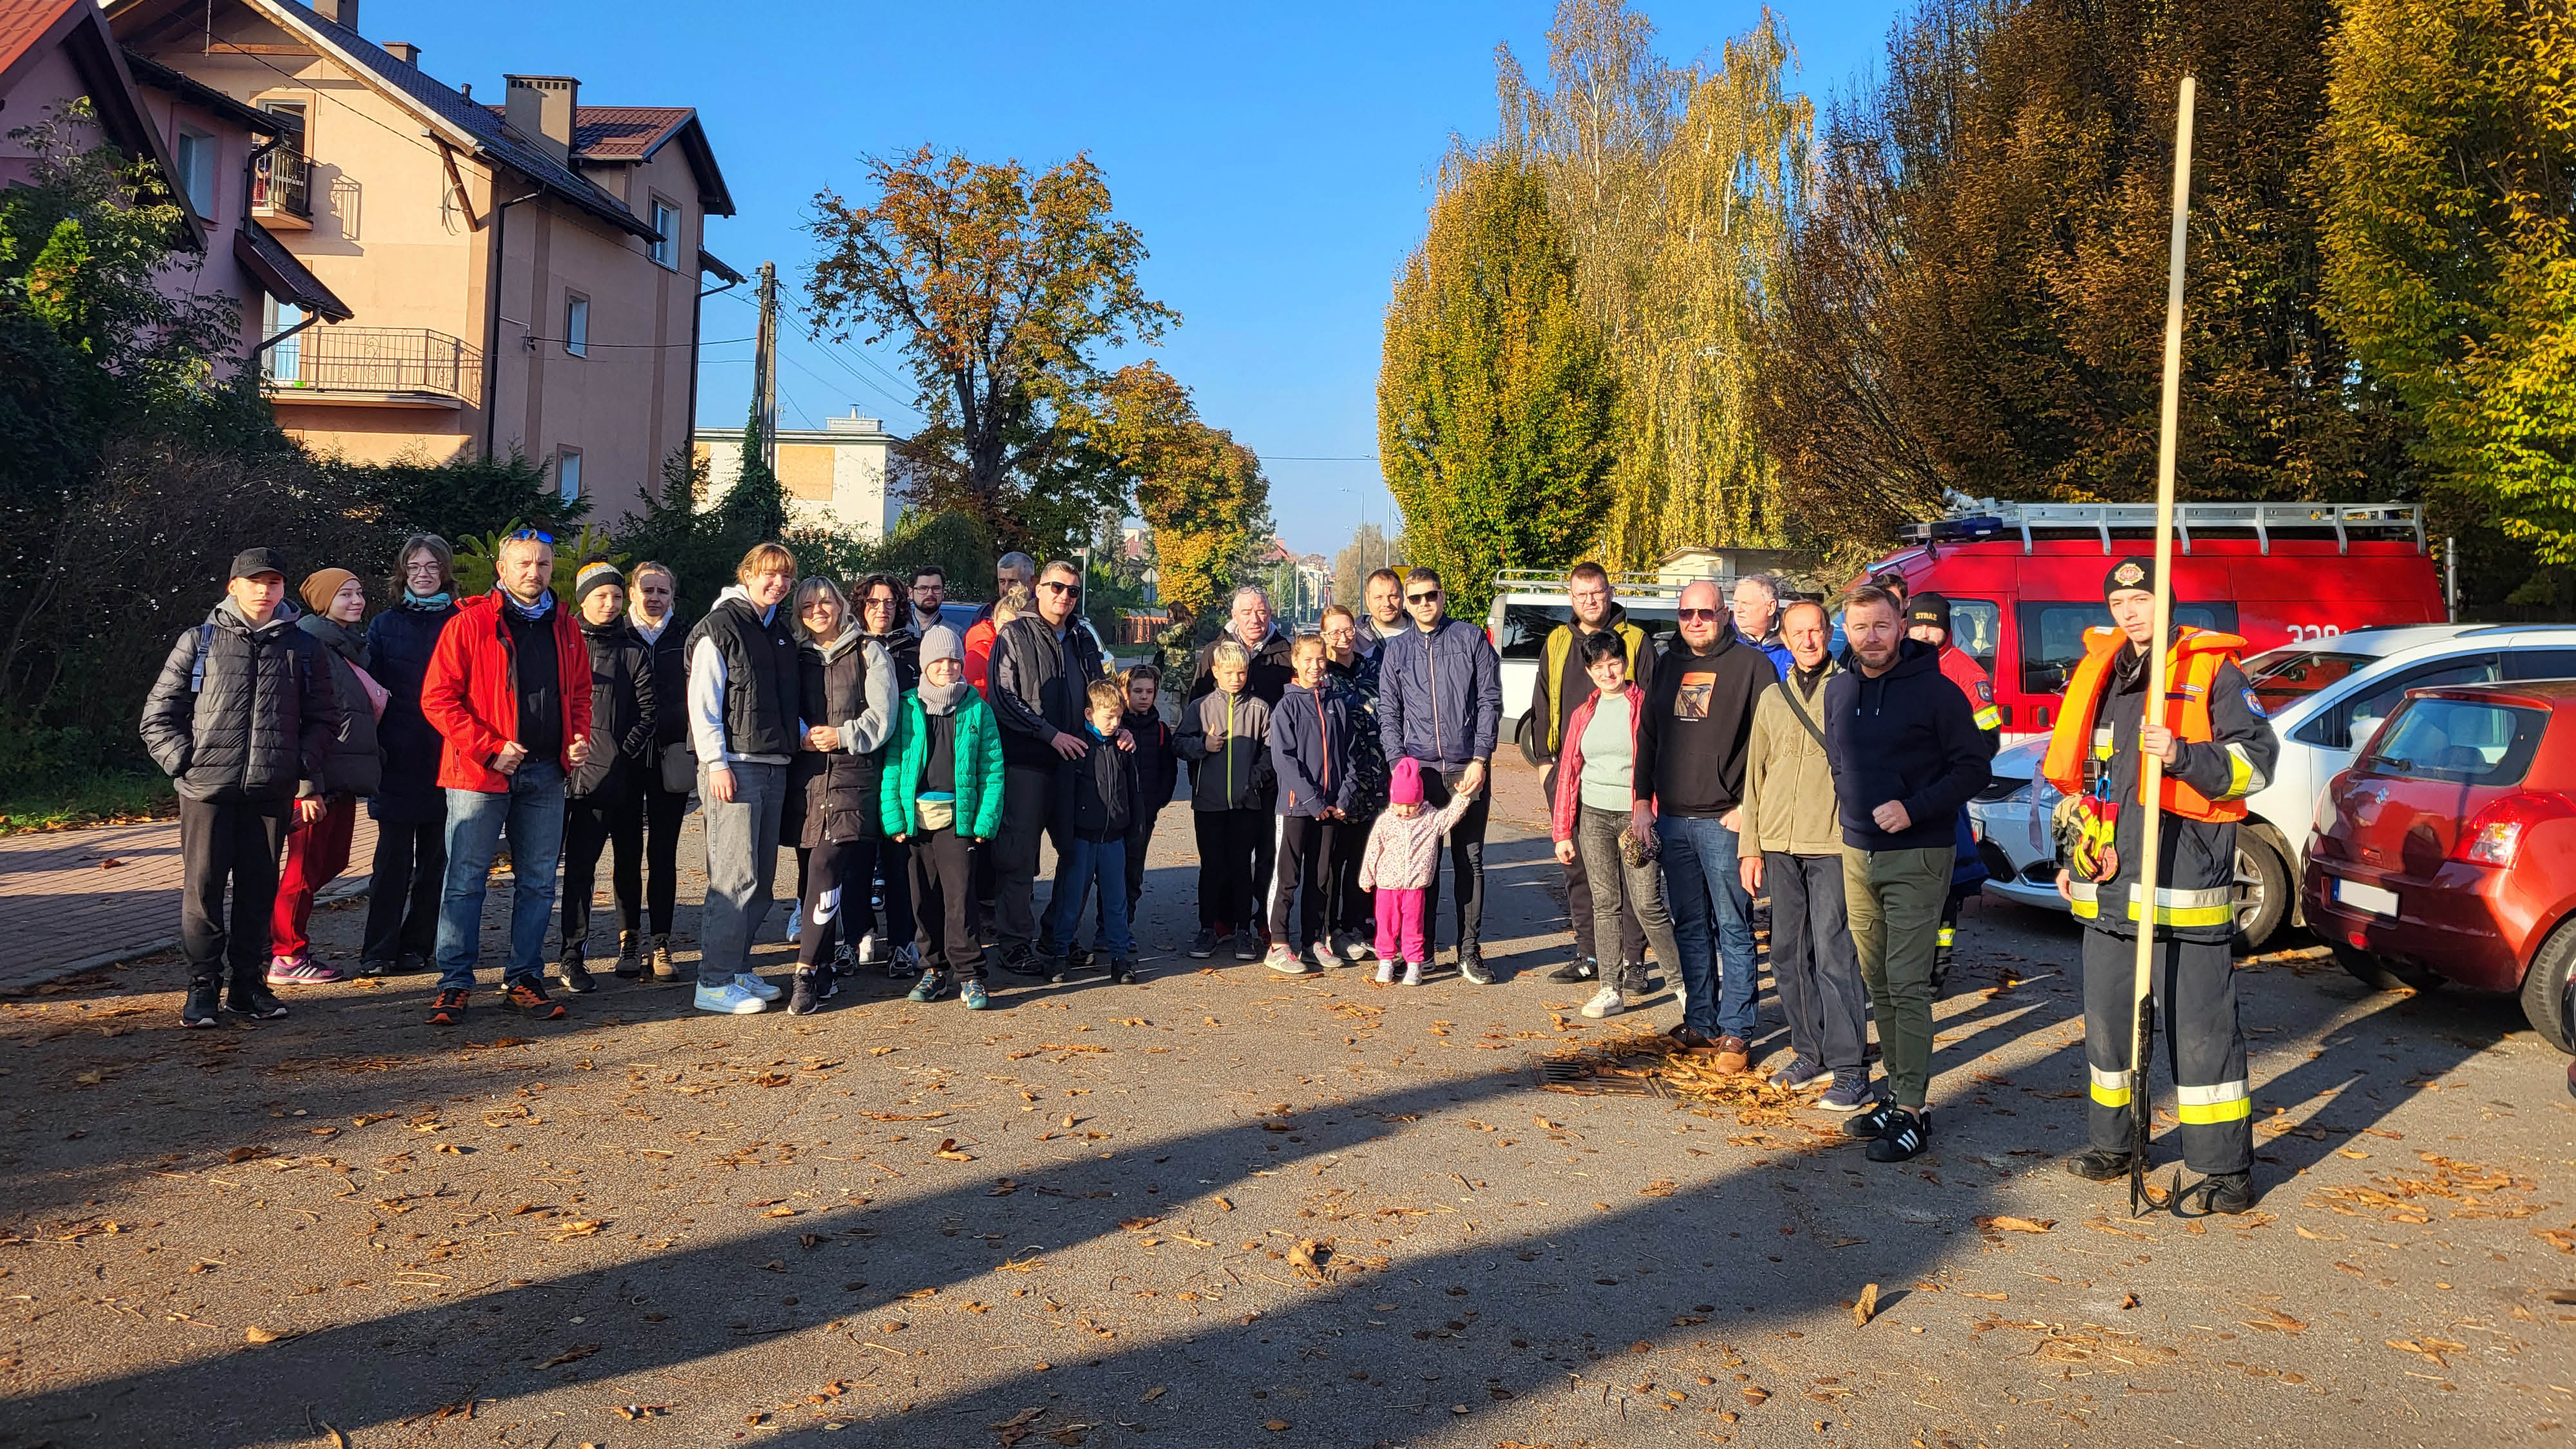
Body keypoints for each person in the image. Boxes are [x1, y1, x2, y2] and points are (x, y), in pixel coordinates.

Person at [2045, 557, 2277, 1214]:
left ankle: (2224, 1168)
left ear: (2165, 602)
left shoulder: (2212, 672)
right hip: (2109, 889)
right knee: (2109, 1033)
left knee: (2202, 1035)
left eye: (2142, 599)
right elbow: (2082, 782)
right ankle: (2115, 1144)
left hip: (2185, 886)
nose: (2130, 613)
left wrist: (2181, 755)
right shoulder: (2102, 676)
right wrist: (2069, 854)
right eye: (2120, 603)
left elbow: (2255, 765)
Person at [1823, 584, 1994, 1163]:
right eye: (1858, 627)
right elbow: (1839, 758)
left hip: (1918, 853)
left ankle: (1915, 1111)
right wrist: (1850, 807)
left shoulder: (1939, 693)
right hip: (1857, 852)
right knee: (1878, 983)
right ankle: (1896, 1095)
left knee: (1906, 980)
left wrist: (1914, 808)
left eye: (1880, 626)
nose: (1869, 638)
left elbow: (1974, 767)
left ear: (1900, 626)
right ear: (1843, 628)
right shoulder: (1839, 689)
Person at [140, 547, 342, 1027]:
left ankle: (248, 985)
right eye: (255, 582)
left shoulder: (304, 647)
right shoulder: (199, 642)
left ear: (283, 590)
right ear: (233, 587)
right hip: (206, 792)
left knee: (259, 890)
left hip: (270, 792)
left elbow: (325, 719)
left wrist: (297, 767)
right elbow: (157, 716)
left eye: (273, 582)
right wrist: (185, 764)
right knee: (204, 889)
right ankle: (203, 987)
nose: (264, 590)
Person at [419, 530, 594, 1027]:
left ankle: (524, 979)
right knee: (465, 881)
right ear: (502, 569)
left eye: (541, 564)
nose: (533, 573)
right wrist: (491, 748)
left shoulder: (566, 626)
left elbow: (580, 693)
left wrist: (577, 738)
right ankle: (454, 983)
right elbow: (437, 699)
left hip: (545, 771)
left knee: (538, 883)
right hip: (478, 773)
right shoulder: (470, 623)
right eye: (522, 564)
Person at [1633, 579, 1775, 1068]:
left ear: (1725, 614)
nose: (1696, 622)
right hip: (1673, 820)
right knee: (1690, 927)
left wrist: (1750, 809)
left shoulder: (1753, 667)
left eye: (1706, 613)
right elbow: (1648, 738)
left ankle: (1736, 1032)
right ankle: (1701, 1021)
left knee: (1734, 929)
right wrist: (1640, 803)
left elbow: (1770, 747)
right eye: (1687, 614)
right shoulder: (1668, 665)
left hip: (1725, 823)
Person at [1738, 600, 1872, 1112]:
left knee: (1837, 955)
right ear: (1786, 638)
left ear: (1829, 632)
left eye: (1815, 631)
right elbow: (1756, 776)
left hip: (1833, 844)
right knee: (1788, 956)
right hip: (1778, 843)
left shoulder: (1852, 691)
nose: (1808, 641)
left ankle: (1851, 1068)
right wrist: (1750, 846)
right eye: (1798, 633)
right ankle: (1808, 1051)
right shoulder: (1773, 698)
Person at [687, 541, 804, 1016]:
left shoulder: (776, 631)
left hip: (774, 763)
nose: (778, 583)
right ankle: (712, 981)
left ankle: (736, 969)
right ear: (748, 573)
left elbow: (778, 701)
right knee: (733, 877)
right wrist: (716, 762)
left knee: (760, 880)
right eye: (769, 574)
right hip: (735, 766)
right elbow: (704, 701)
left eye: (786, 577)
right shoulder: (721, 626)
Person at [1549, 631, 1686, 1021]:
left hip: (1635, 817)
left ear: (1625, 663)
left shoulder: (1645, 705)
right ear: (1589, 671)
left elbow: (1661, 763)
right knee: (1605, 904)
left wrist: (1652, 811)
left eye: (1614, 663)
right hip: (1593, 818)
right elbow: (1569, 774)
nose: (1607, 672)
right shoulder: (1583, 712)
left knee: (1647, 903)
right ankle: (1610, 988)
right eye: (1598, 666)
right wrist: (1562, 831)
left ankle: (1683, 985)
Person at [1376, 565, 1502, 983]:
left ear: (1442, 596)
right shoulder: (1397, 651)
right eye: (1415, 599)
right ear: (1407, 604)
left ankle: (1469, 952)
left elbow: (1489, 701)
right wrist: (1400, 766)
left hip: (1468, 770)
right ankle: (1421, 950)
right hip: (1421, 773)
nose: (1424, 604)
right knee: (1419, 865)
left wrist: (1481, 758)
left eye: (1431, 595)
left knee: (1470, 861)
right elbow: (1389, 712)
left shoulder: (1469, 639)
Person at [1535, 561, 1659, 985]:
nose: (1590, 600)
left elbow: (1652, 712)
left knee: (1632, 872)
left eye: (1597, 592)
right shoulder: (1555, 642)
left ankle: (1633, 962)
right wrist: (1545, 765)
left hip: (1624, 782)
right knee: (1580, 873)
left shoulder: (1637, 642)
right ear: (1571, 598)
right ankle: (1589, 954)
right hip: (1570, 779)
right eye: (1582, 594)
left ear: (1610, 593)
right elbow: (1541, 704)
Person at [785, 576, 900, 1014]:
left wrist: (844, 735)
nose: (818, 610)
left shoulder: (869, 651)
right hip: (806, 777)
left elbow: (883, 715)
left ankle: (806, 972)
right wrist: (801, 736)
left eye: (825, 602)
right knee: (812, 874)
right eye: (808, 605)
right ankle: (827, 965)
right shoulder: (794, 656)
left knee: (825, 863)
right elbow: (779, 705)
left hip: (852, 774)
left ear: (840, 606)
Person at [988, 558, 1109, 974]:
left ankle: (1058, 934)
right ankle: (1014, 943)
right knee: (1019, 858)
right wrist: (1048, 734)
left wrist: (1117, 726)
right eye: (1056, 588)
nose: (1064, 597)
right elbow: (1003, 698)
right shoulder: (1014, 635)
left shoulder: (1082, 638)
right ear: (1038, 589)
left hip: (1076, 763)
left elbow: (1101, 695)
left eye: (1072, 591)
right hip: (1027, 761)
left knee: (1076, 854)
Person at [882, 625, 1007, 1008]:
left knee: (960, 899)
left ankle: (970, 974)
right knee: (923, 898)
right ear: (925, 664)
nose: (948, 667)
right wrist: (893, 819)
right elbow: (893, 764)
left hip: (959, 819)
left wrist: (985, 821)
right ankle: (933, 970)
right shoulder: (907, 706)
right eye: (939, 660)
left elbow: (992, 768)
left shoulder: (977, 708)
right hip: (915, 819)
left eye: (954, 659)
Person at [268, 565, 381, 985]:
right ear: (323, 602)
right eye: (344, 595)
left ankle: (275, 932)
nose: (356, 601)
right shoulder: (310, 646)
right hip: (316, 782)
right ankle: (286, 953)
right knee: (302, 868)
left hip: (344, 779)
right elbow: (299, 719)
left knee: (332, 862)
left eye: (358, 592)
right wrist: (306, 787)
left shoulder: (349, 647)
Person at [557, 562, 657, 992]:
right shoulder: (563, 644)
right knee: (576, 869)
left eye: (617, 597)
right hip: (568, 778)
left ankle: (628, 941)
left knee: (626, 864)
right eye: (602, 596)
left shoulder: (632, 652)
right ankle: (571, 954)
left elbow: (649, 714)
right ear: (583, 599)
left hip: (619, 780)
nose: (611, 604)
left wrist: (618, 755)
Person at [360, 536, 457, 978]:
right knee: (390, 863)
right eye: (415, 566)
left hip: (447, 757)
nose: (423, 573)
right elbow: (371, 692)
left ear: (444, 572)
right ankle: (377, 950)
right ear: (404, 572)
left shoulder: (461, 621)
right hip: (396, 757)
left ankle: (418, 945)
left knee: (434, 863)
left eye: (431, 566)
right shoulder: (383, 625)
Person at [1905, 591, 2000, 986]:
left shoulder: (1965, 672)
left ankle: (1936, 971)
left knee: (1947, 891)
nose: (1925, 633)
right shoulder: (1896, 664)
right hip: (1901, 796)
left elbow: (1988, 741)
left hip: (1944, 799)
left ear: (1947, 628)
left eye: (1934, 625)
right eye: (1918, 624)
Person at [1177, 640, 1273, 960]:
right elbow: (1179, 743)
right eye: (1229, 672)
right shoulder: (1200, 708)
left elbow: (1272, 752)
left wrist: (1254, 779)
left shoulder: (1260, 708)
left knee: (1241, 868)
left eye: (1242, 672)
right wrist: (1203, 745)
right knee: (1212, 867)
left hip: (1246, 803)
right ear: (1216, 671)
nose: (1236, 678)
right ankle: (1208, 928)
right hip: (1209, 803)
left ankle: (1244, 931)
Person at [1267, 634, 1356, 974]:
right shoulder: (1286, 706)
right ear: (1295, 662)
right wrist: (1312, 800)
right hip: (1296, 807)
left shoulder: (1336, 704)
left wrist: (1342, 797)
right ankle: (1279, 943)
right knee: (1288, 877)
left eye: (1320, 659)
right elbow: (1285, 761)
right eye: (1308, 660)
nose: (1315, 666)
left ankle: (1313, 940)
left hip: (1331, 808)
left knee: (1321, 878)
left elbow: (1347, 755)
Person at [848, 571, 923, 969]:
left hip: (901, 765)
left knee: (899, 857)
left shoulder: (914, 648)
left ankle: (902, 940)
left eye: (890, 602)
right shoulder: (848, 648)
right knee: (857, 857)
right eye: (874, 602)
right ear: (861, 604)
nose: (882, 609)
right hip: (856, 765)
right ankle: (859, 932)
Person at [1048, 679, 1142, 983]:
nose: (1115, 723)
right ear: (1090, 714)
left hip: (1114, 838)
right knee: (1071, 900)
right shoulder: (1077, 749)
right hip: (1081, 839)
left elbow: (1133, 792)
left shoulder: (1123, 748)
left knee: (1116, 902)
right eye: (1108, 717)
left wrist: (1134, 830)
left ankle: (1119, 958)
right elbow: (1063, 800)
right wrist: (1064, 841)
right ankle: (1060, 954)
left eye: (1119, 717)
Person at [1356, 757, 1481, 986]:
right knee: (1386, 924)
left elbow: (1450, 817)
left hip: (1415, 886)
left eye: (1411, 805)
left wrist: (1463, 798)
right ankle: (1386, 960)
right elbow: (1374, 849)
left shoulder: (1430, 819)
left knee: (1414, 926)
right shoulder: (1385, 822)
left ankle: (1414, 963)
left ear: (1420, 799)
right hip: (1387, 885)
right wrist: (1368, 875)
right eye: (1400, 805)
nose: (1405, 810)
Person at [627, 560, 690, 982]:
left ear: (672, 596)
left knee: (663, 853)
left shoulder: (688, 637)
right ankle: (628, 939)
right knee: (627, 854)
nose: (654, 598)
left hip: (672, 755)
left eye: (661, 591)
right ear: (633, 592)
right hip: (626, 758)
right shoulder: (618, 633)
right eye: (646, 590)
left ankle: (661, 941)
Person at [1319, 605, 1390, 961]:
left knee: (1366, 859)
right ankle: (1332, 930)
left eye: (1347, 631)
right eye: (1334, 633)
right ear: (1323, 636)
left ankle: (1357, 925)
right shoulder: (1322, 677)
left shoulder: (1374, 668)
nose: (1343, 639)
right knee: (1334, 859)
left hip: (1376, 780)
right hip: (1341, 782)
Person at [1118, 665, 1180, 922]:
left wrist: (1157, 801)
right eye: (1138, 691)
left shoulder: (1162, 730)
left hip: (1146, 812)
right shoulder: (1116, 728)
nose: (1144, 697)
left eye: (1149, 692)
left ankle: (1125, 922)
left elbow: (1169, 770)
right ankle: (1107, 925)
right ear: (1125, 693)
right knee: (1112, 872)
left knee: (1134, 870)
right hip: (1118, 813)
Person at [965, 584, 1027, 703]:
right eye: (1005, 624)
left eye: (1016, 625)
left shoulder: (1032, 650)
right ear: (995, 620)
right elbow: (974, 703)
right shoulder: (979, 654)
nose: (1009, 630)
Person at [1731, 573, 1793, 678]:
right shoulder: (1725, 642)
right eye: (1736, 602)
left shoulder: (1794, 642)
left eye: (1746, 603)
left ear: (1771, 607)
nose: (1738, 610)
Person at [1352, 568, 1405, 656]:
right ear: (1367, 599)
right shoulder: (1354, 642)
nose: (1387, 603)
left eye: (1393, 596)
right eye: (1378, 597)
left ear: (1403, 596)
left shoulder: (1424, 633)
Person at [974, 552, 1037, 625]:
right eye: (1002, 581)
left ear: (1031, 581)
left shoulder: (1044, 612)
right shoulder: (985, 613)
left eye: (1013, 581)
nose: (1006, 588)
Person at [908, 564, 949, 636]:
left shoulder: (957, 635)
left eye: (936, 588)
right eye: (923, 588)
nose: (930, 594)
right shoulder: (896, 631)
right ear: (910, 593)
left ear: (943, 593)